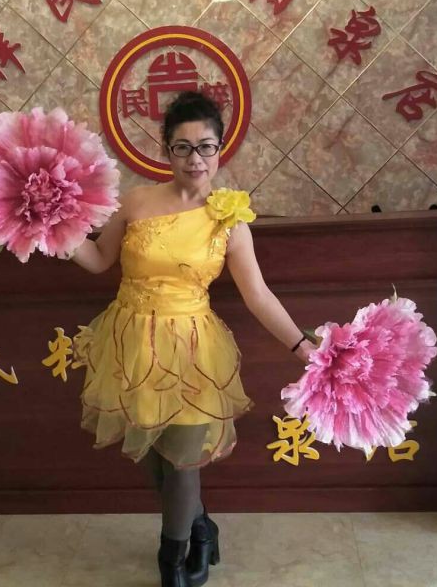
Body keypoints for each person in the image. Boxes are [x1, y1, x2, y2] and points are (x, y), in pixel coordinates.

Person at [70, 91, 316, 587]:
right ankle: (201, 527)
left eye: (205, 147)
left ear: (220, 149)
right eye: (182, 147)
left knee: (183, 462)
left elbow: (258, 295)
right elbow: (98, 260)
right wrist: (52, 229)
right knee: (156, 462)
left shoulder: (231, 219)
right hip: (131, 344)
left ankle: (172, 561)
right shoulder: (136, 202)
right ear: (166, 150)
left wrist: (303, 347)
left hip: (193, 352)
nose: (195, 159)